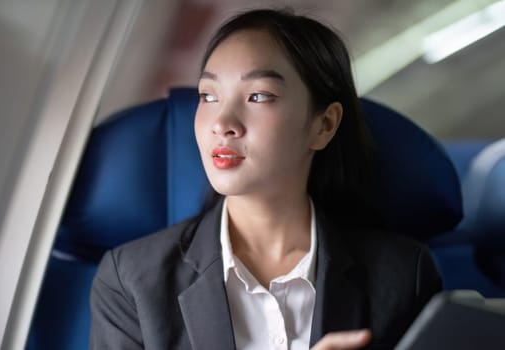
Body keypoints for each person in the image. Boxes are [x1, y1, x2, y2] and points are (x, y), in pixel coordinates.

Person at [90, 8, 442, 350]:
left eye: (258, 96)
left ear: (324, 125)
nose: (222, 122)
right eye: (208, 96)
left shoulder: (402, 275)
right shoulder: (132, 281)